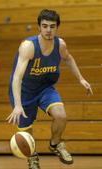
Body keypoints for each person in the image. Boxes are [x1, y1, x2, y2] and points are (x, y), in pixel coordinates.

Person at [7, 9, 93, 169]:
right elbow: (17, 78)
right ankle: (32, 156)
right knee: (26, 129)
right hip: (24, 90)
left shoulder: (60, 44)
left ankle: (55, 144)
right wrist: (18, 105)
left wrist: (81, 78)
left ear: (57, 27)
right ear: (39, 27)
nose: (48, 30)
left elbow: (68, 58)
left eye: (52, 26)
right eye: (44, 26)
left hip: (45, 87)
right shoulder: (28, 46)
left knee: (61, 115)